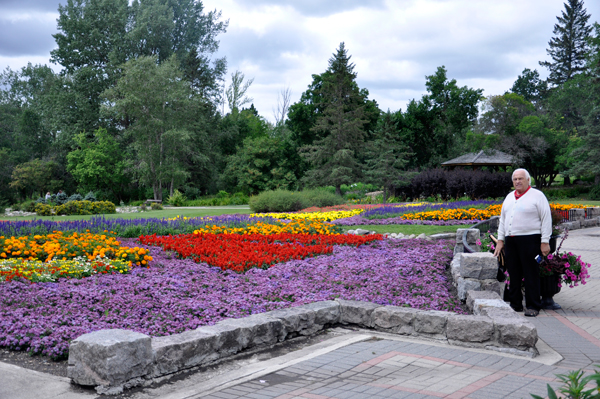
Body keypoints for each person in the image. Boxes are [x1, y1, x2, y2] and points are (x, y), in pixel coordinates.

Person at [493, 168, 552, 317]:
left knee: (531, 272)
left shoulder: (537, 196)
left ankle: (533, 305)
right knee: (514, 273)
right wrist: (500, 240)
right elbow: (503, 221)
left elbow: (546, 219)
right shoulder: (509, 197)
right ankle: (515, 304)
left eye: (520, 178)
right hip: (512, 241)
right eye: (515, 179)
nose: (518, 181)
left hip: (531, 240)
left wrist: (545, 241)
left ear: (528, 180)